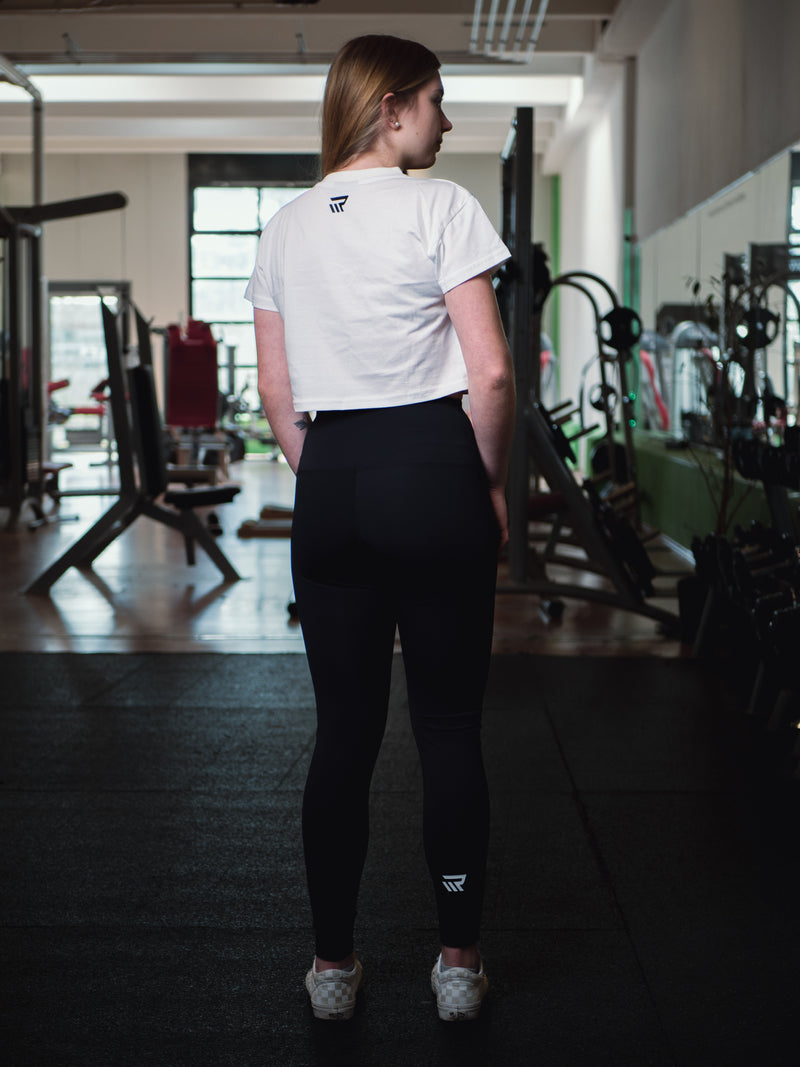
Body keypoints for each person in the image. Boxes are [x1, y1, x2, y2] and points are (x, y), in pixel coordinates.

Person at [245, 34, 515, 1023]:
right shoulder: (440, 205)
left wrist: (329, 479)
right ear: (393, 107)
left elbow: (276, 394)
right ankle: (457, 966)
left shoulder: (283, 226)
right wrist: (485, 485)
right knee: (446, 726)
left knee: (343, 733)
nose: (446, 119)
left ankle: (330, 967)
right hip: (433, 471)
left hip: (332, 478)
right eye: (438, 100)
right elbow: (491, 374)